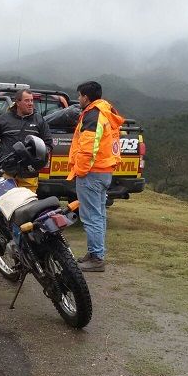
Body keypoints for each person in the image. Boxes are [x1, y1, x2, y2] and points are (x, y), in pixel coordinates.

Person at [66, 81, 124, 272]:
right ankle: (94, 253)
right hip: (104, 171)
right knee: (98, 215)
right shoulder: (106, 112)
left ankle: (97, 258)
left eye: (79, 96)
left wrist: (81, 171)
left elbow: (88, 148)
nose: (78, 99)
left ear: (86, 97)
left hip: (92, 172)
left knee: (91, 216)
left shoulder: (93, 115)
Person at [0, 89, 53, 192]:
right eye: (27, 100)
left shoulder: (39, 120)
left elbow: (48, 144)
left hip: (29, 174)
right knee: (6, 201)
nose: (30, 104)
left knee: (28, 202)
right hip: (7, 172)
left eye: (31, 100)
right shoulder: (3, 119)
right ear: (17, 102)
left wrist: (37, 159)